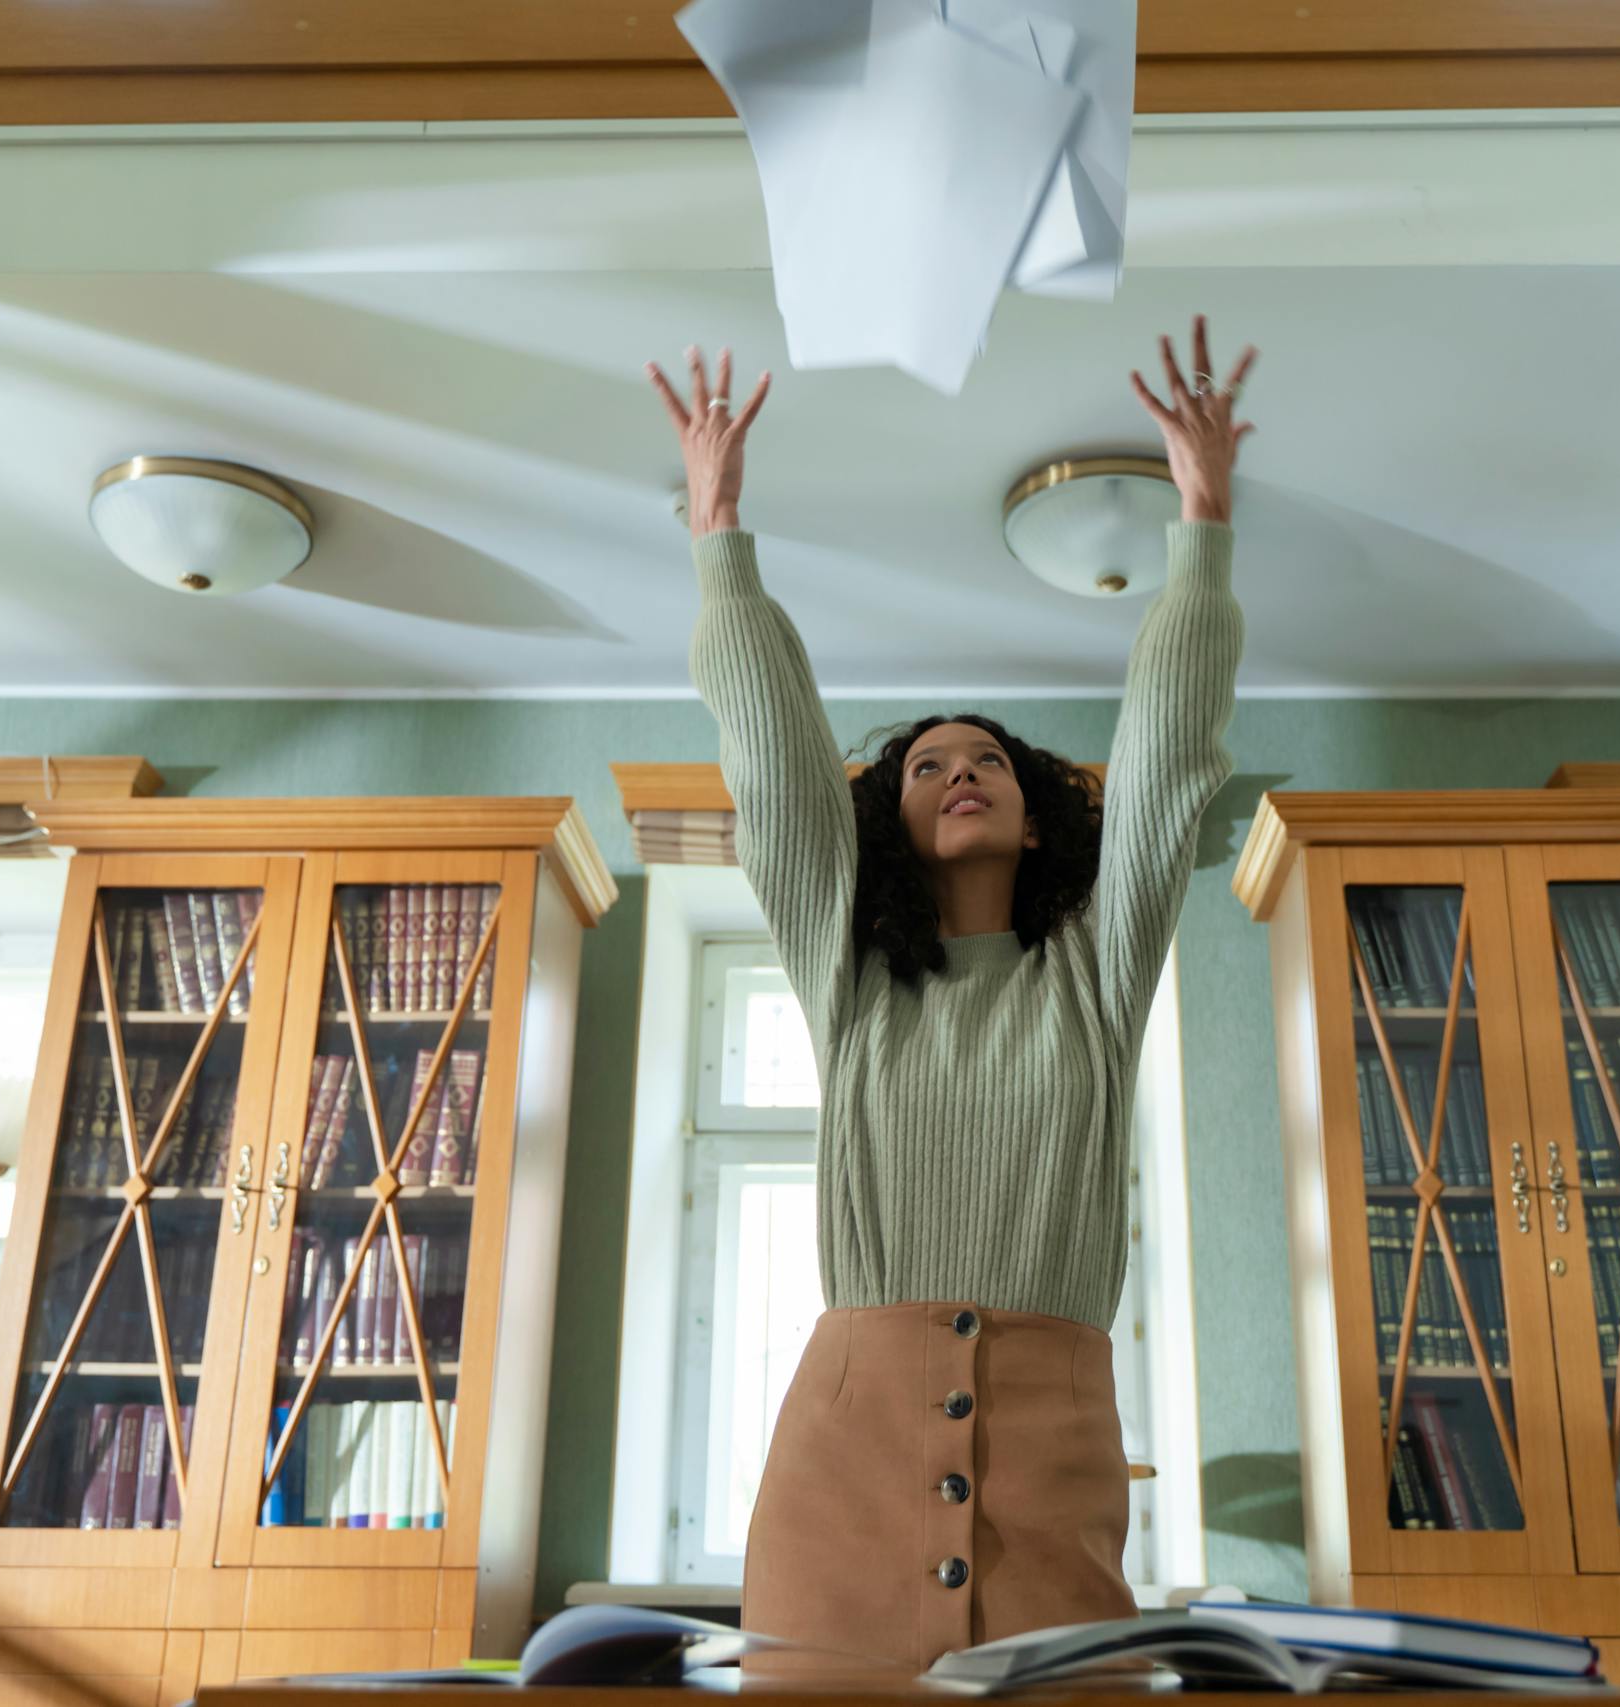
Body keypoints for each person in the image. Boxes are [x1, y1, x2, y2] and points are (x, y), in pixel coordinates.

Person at [645, 316, 1255, 1673]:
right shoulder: (851, 983)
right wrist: (719, 534)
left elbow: (1166, 760)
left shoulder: (1093, 978)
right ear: (890, 823)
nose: (959, 770)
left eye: (987, 760)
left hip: (1058, 1453)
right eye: (926, 767)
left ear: (1041, 821)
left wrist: (1201, 523)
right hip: (842, 1462)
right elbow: (775, 762)